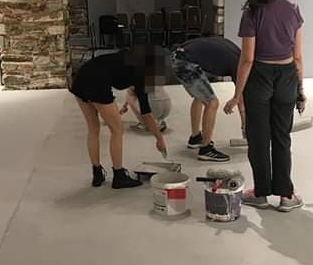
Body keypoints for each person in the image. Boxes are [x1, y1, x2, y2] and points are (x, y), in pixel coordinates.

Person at [223, 0, 306, 212]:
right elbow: (298, 56)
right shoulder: (293, 9)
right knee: (282, 137)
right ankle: (286, 196)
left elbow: (247, 59)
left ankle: (260, 194)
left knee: (259, 138)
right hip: (287, 75)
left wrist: (237, 95)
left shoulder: (252, 12)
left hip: (259, 76)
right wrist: (300, 91)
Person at [70, 44, 169, 189]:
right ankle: (119, 175)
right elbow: (146, 113)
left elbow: (129, 86)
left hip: (81, 78)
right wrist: (159, 139)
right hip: (98, 83)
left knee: (93, 128)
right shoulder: (143, 75)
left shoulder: (129, 57)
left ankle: (97, 173)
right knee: (117, 130)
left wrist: (123, 106)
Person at [170, 36, 245, 162]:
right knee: (212, 102)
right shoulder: (239, 65)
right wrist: (245, 127)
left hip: (179, 54)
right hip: (185, 62)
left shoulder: (236, 52)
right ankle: (206, 149)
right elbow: (242, 101)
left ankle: (195, 138)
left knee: (200, 97)